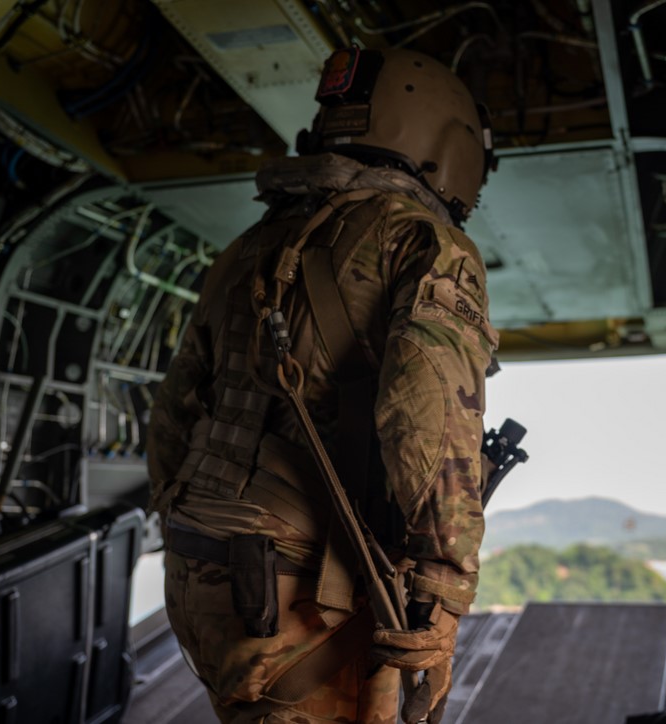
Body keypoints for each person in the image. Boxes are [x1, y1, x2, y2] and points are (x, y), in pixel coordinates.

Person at [146, 47, 498, 724]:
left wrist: (190, 515)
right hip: (301, 592)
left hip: (200, 567)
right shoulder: (422, 242)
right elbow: (429, 417)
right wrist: (444, 587)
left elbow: (175, 408)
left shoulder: (250, 245)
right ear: (444, 146)